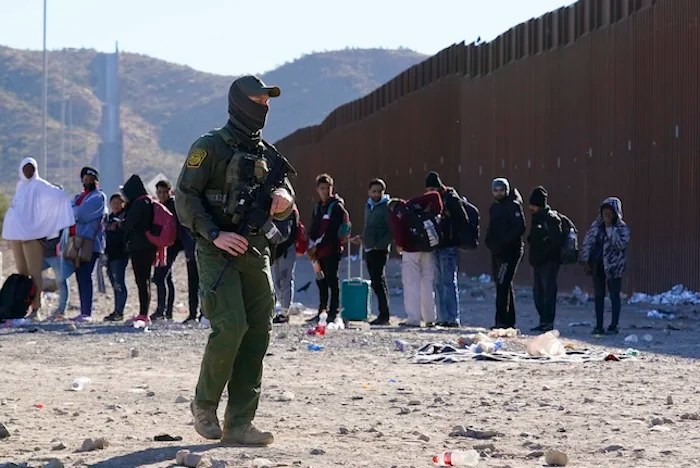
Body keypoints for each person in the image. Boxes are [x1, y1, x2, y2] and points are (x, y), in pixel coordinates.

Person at [175, 75, 294, 446]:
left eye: (268, 101)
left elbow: (288, 193)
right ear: (241, 102)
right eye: (260, 100)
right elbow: (185, 197)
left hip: (256, 251)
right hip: (217, 250)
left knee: (258, 331)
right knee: (230, 326)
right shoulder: (209, 146)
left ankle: (240, 422)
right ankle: (204, 404)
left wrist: (284, 200)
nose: (266, 107)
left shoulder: (268, 155)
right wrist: (214, 233)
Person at [2, 158, 74, 320]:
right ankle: (20, 307)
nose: (29, 171)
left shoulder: (40, 185)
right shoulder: (21, 186)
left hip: (31, 237)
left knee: (35, 274)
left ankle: (36, 309)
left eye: (31, 168)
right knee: (22, 273)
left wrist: (42, 226)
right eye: (26, 168)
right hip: (16, 236)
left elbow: (59, 196)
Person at [388, 191, 443, 328]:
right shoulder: (414, 204)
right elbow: (435, 195)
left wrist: (400, 244)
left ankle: (414, 319)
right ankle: (430, 318)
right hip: (427, 248)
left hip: (410, 250)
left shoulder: (396, 213)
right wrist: (436, 213)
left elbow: (398, 230)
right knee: (427, 283)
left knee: (411, 284)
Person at [579, 197, 631, 335]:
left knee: (614, 296)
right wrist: (585, 260)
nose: (606, 215)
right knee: (599, 296)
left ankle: (614, 325)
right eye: (604, 212)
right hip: (598, 266)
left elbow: (620, 244)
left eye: (610, 213)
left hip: (614, 267)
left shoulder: (622, 228)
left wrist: (610, 228)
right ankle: (599, 325)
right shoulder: (596, 226)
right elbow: (588, 242)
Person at [425, 171, 469, 328]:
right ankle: (442, 317)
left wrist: (447, 221)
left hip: (448, 245)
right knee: (438, 282)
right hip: (437, 244)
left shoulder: (451, 198)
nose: (430, 192)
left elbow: (463, 220)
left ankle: (452, 317)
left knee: (448, 281)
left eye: (432, 189)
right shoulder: (431, 200)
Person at [307, 173, 351, 324]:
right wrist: (310, 246)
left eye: (328, 188)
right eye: (322, 188)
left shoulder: (336, 207)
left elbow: (331, 231)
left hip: (331, 250)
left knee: (332, 281)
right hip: (317, 253)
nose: (325, 191)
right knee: (321, 281)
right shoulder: (318, 206)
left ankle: (334, 312)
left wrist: (316, 245)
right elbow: (314, 228)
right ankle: (322, 311)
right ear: (317, 189)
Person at [485, 177, 525, 329]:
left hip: (510, 252)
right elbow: (492, 227)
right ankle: (508, 321)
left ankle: (501, 322)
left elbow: (520, 228)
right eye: (496, 190)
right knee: (503, 284)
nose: (499, 193)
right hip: (497, 252)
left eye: (502, 190)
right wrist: (489, 242)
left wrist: (503, 243)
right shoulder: (495, 207)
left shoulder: (513, 206)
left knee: (503, 284)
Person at [70, 167, 107, 322]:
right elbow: (69, 212)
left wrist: (75, 213)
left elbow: (81, 214)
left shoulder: (99, 197)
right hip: (76, 241)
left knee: (86, 275)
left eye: (91, 180)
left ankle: (87, 312)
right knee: (80, 276)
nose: (88, 182)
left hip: (91, 242)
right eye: (85, 180)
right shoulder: (79, 197)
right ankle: (83, 310)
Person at [355, 178, 393, 326]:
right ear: (369, 192)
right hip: (369, 247)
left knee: (379, 281)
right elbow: (369, 227)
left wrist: (380, 244)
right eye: (374, 191)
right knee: (375, 282)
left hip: (380, 250)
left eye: (379, 191)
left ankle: (384, 315)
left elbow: (390, 230)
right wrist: (363, 238)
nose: (376, 194)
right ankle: (382, 314)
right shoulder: (369, 205)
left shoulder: (385, 207)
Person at [526, 186, 563, 332]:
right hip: (538, 262)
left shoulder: (551, 219)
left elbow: (556, 242)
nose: (531, 208)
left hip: (549, 262)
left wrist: (545, 253)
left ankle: (548, 322)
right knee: (538, 294)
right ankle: (543, 321)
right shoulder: (536, 219)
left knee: (548, 293)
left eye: (533, 205)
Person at [121, 174, 157, 324]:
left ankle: (143, 314)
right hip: (149, 246)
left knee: (141, 280)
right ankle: (144, 313)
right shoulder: (148, 201)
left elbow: (129, 224)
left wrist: (121, 222)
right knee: (145, 280)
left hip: (139, 247)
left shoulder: (139, 204)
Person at [151, 179, 183, 321]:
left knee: (160, 277)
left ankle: (161, 311)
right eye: (159, 192)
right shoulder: (158, 206)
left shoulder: (174, 206)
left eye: (165, 192)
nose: (162, 195)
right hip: (162, 246)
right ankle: (166, 312)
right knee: (166, 278)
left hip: (172, 245)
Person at [271, 205, 302, 324]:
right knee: (276, 280)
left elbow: (292, 233)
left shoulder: (291, 211)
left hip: (286, 249)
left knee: (286, 279)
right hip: (275, 249)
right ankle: (281, 308)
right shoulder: (272, 209)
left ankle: (285, 311)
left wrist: (281, 248)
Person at [104, 193, 129, 322]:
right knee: (114, 283)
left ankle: (120, 311)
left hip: (120, 255)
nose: (116, 206)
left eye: (118, 203)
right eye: (113, 203)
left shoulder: (125, 217)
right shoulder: (109, 219)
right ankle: (116, 310)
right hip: (110, 255)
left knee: (119, 283)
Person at [41, 229, 75, 320]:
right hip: (42, 253)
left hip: (56, 254)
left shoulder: (61, 217)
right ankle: (35, 307)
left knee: (61, 280)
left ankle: (61, 310)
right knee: (32, 275)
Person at [180, 224, 201, 324]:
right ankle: (194, 314)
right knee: (193, 287)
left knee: (200, 287)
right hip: (193, 257)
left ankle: (202, 314)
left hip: (200, 257)